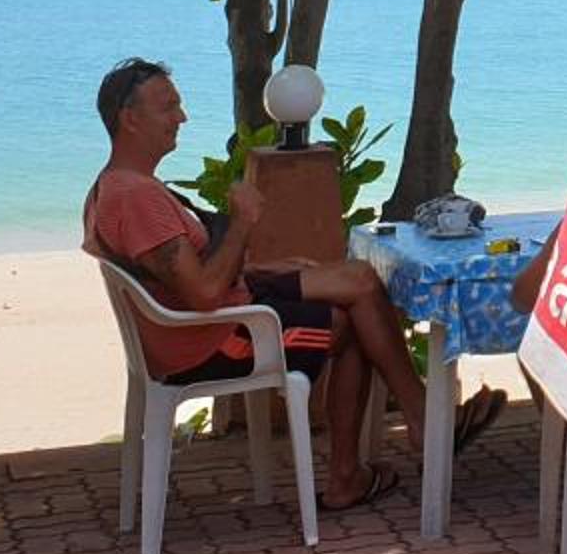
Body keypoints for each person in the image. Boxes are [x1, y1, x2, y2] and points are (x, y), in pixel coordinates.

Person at [82, 57, 504, 514]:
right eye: (168, 107)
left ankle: (417, 423)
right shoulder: (137, 198)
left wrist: (266, 269)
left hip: (217, 314)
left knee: (359, 278)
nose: (181, 117)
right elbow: (203, 295)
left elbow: (187, 278)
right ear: (130, 119)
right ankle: (377, 456)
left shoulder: (117, 187)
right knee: (357, 322)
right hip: (215, 340)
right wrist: (243, 221)